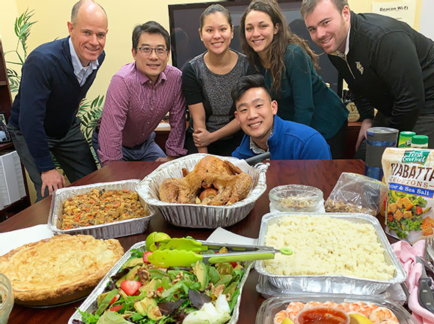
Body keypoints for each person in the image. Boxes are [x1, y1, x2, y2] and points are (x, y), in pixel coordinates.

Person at [302, 0, 434, 155]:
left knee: (405, 164)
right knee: (365, 156)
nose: (320, 34)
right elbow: (356, 84)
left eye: (325, 22)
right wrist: (366, 118)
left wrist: (388, 146)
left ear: (345, 13)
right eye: (312, 29)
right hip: (396, 103)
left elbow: (411, 99)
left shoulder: (382, 38)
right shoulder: (335, 46)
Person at [6, 0, 107, 202]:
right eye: (87, 32)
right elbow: (30, 120)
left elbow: (77, 87)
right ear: (71, 28)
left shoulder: (98, 57)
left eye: (101, 35)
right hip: (29, 129)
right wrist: (46, 167)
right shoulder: (42, 61)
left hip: (66, 129)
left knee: (92, 186)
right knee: (49, 194)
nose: (95, 42)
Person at [240, 0, 349, 159]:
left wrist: (293, 143)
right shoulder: (252, 62)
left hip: (326, 122)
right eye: (249, 28)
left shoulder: (293, 55)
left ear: (276, 28)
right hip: (294, 127)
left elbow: (304, 108)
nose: (255, 33)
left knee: (321, 177)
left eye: (263, 26)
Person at [93, 21, 187, 165]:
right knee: (122, 184)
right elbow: (111, 132)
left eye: (160, 50)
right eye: (146, 49)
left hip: (145, 144)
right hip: (115, 145)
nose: (154, 56)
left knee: (167, 175)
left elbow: (178, 121)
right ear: (134, 53)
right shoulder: (122, 81)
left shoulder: (175, 79)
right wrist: (113, 169)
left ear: (168, 54)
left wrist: (172, 156)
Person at [182, 4, 257, 156]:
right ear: (201, 34)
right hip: (200, 140)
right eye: (209, 30)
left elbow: (245, 113)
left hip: (238, 138)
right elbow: (198, 119)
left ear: (231, 32)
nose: (216, 36)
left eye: (222, 29)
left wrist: (211, 138)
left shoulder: (247, 66)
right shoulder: (192, 69)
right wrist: (204, 158)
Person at [231, 74, 332, 160]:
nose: (252, 115)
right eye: (244, 110)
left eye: (258, 106)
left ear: (273, 107)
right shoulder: (238, 158)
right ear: (238, 117)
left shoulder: (308, 143)